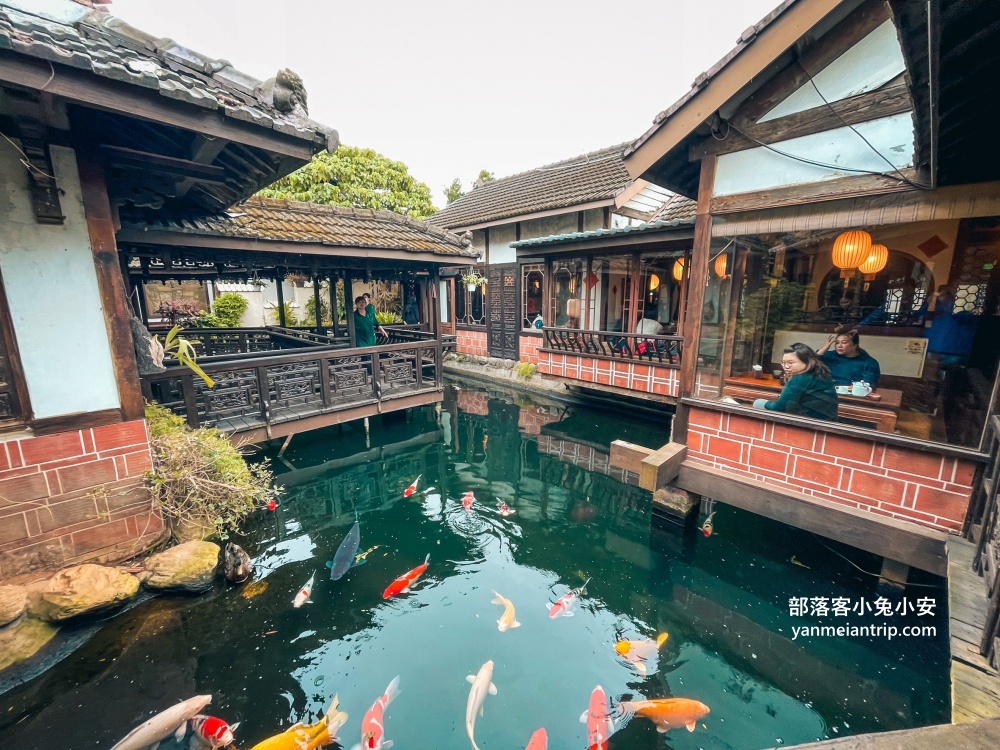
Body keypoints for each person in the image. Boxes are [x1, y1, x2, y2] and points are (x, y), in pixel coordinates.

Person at [753, 343, 838, 421]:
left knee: (759, 403)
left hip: (811, 423)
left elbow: (779, 408)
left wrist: (766, 403)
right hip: (828, 421)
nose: (786, 366)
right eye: (783, 363)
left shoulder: (801, 379)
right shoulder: (821, 373)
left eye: (791, 363)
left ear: (807, 361)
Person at [817, 328, 881, 388]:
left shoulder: (869, 363)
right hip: (827, 391)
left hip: (853, 395)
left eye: (844, 342)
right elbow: (810, 364)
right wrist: (824, 348)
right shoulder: (829, 355)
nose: (839, 346)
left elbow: (870, 385)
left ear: (855, 345)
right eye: (837, 343)